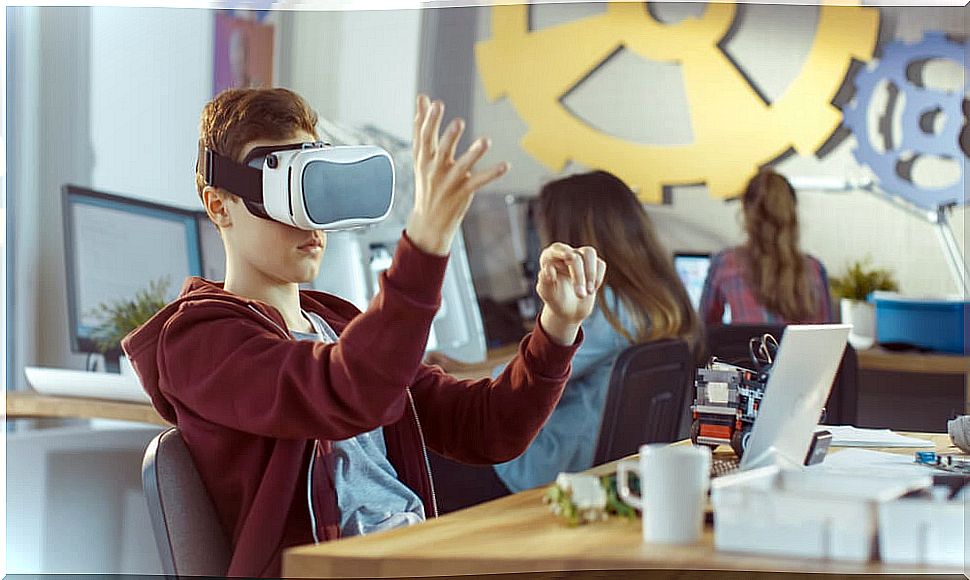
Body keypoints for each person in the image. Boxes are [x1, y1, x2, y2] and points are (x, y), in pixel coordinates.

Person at [122, 88, 607, 578]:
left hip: (411, 553)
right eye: (282, 192)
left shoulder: (337, 325)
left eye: (316, 186)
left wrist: (557, 328)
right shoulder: (200, 341)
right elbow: (345, 391)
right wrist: (425, 243)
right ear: (220, 205)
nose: (309, 219)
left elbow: (486, 429)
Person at [469, 171, 700, 494]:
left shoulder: (603, 307)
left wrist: (461, 372)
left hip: (553, 462)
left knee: (438, 441)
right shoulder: (661, 299)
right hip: (608, 462)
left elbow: (520, 381)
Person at [700, 168, 834, 325]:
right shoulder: (814, 269)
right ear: (792, 212)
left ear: (745, 210)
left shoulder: (725, 264)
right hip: (806, 350)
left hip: (747, 349)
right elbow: (827, 336)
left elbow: (704, 332)